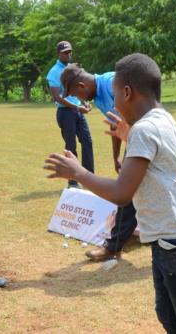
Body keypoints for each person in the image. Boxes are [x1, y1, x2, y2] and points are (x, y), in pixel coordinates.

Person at [45, 53, 176, 334]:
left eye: (114, 96)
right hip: (170, 239)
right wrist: (128, 136)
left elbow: (122, 193)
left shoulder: (145, 130)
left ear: (127, 92)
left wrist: (78, 173)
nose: (112, 104)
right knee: (168, 315)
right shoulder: (161, 118)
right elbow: (158, 160)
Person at [60, 64, 137, 262]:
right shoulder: (100, 95)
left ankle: (114, 245)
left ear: (81, 85)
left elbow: (136, 117)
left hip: (146, 137)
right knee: (135, 189)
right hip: (137, 140)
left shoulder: (113, 84)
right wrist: (116, 157)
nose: (80, 100)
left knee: (127, 190)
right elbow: (115, 124)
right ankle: (122, 239)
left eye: (76, 94)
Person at [46, 41, 94, 187]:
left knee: (87, 142)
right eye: (65, 52)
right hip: (65, 113)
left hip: (77, 111)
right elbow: (57, 97)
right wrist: (77, 107)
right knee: (71, 146)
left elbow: (77, 90)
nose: (68, 54)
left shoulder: (71, 69)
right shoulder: (54, 72)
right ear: (59, 53)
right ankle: (73, 182)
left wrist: (84, 102)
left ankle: (89, 177)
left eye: (69, 52)